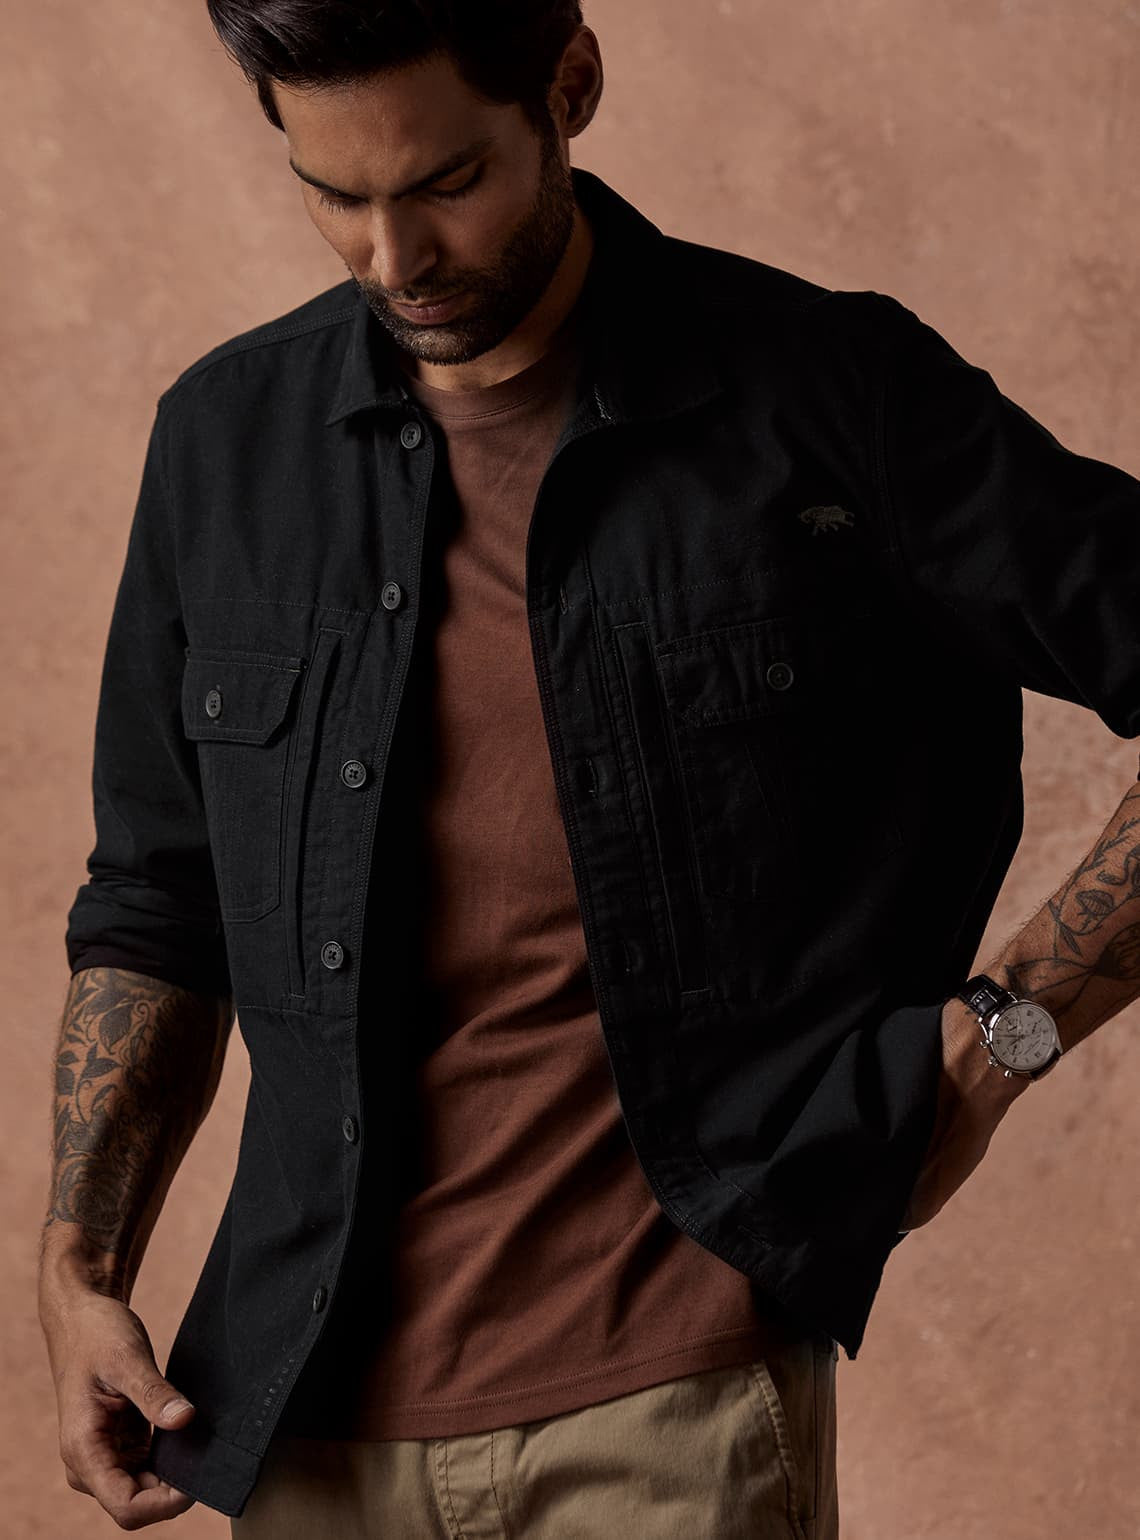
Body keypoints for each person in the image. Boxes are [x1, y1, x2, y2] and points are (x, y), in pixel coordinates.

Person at [38, 2, 1139, 1535]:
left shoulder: (827, 394)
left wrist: (1003, 1035)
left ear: (570, 86)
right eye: (333, 194)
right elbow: (158, 905)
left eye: (445, 182)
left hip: (669, 1408)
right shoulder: (226, 444)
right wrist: (78, 1271)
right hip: (301, 1420)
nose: (393, 258)